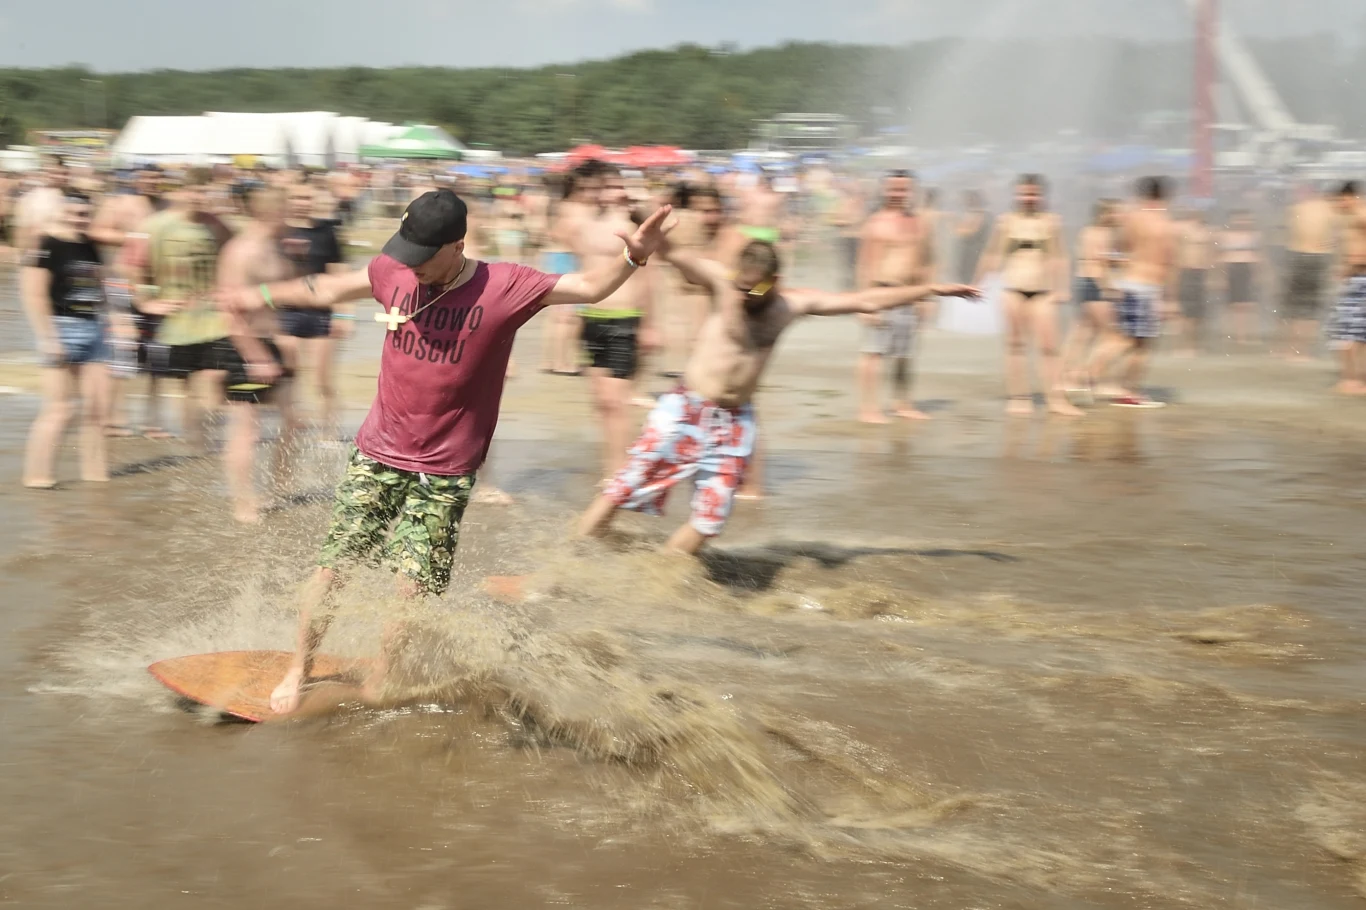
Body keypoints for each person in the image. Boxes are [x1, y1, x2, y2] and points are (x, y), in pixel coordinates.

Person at [216, 188, 675, 714]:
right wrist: (261, 295)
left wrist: (633, 257)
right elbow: (326, 286)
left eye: (423, 257)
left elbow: (589, 287)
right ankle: (299, 668)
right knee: (334, 567)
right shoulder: (393, 269)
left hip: (445, 472)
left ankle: (381, 680)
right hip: (378, 453)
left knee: (412, 588)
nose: (411, 267)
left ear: (457, 246)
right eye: (406, 251)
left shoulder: (504, 286)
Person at [577, 239, 978, 554]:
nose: (746, 294)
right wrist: (646, 228)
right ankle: (572, 555)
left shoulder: (791, 304)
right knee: (622, 488)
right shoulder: (722, 283)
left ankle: (658, 576)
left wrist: (931, 289)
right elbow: (676, 254)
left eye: (756, 287)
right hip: (686, 409)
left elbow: (865, 300)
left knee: (709, 521)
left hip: (734, 423)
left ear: (774, 280)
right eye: (742, 285)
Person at [569, 165, 661, 482]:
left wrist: (649, 324)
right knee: (601, 402)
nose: (605, 193)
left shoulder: (632, 226)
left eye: (611, 186)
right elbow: (581, 271)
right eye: (600, 187)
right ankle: (612, 466)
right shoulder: (581, 225)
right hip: (591, 318)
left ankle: (620, 472)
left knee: (616, 402)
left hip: (624, 318)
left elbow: (649, 276)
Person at [215, 187, 299, 522]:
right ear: (271, 213)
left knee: (294, 421)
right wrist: (255, 355)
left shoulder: (275, 247)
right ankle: (243, 503)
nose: (291, 215)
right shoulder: (240, 251)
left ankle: (278, 489)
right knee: (246, 430)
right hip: (244, 348)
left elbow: (284, 293)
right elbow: (228, 311)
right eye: (286, 209)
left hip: (275, 342)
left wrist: (284, 340)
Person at [135, 169, 235, 448]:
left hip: (213, 316)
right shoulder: (155, 225)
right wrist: (146, 301)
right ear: (179, 192)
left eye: (204, 191)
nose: (199, 197)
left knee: (215, 377)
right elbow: (132, 266)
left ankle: (204, 441)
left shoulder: (217, 225)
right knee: (187, 384)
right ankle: (196, 446)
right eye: (194, 191)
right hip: (175, 317)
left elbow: (235, 257)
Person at [21, 192, 111, 488]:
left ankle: (96, 478)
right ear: (61, 212)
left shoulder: (89, 245)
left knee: (97, 410)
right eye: (72, 213)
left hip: (94, 328)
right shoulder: (46, 245)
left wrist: (114, 321)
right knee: (60, 409)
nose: (78, 219)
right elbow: (34, 295)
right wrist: (48, 338)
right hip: (61, 328)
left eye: (84, 214)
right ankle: (38, 477)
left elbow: (101, 286)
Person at [974, 174, 1078, 416]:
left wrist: (1062, 287)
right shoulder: (1006, 222)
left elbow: (1060, 256)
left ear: (1042, 196)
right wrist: (977, 283)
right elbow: (991, 254)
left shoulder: (1051, 221)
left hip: (1043, 292)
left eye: (1034, 194)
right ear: (1016, 195)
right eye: (1024, 193)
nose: (1029, 198)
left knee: (1049, 346)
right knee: (1016, 346)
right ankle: (1019, 397)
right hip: (1013, 289)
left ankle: (1056, 399)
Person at [1086, 176, 1178, 409]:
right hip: (1148, 287)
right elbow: (1168, 263)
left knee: (1124, 339)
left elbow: (1120, 249)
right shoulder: (1165, 224)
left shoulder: (1132, 218)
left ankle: (1103, 383)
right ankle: (1107, 383)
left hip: (1128, 283)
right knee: (1137, 344)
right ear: (1164, 196)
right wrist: (1170, 299)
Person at [855, 170, 936, 423]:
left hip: (909, 295)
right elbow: (865, 265)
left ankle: (902, 403)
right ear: (884, 190)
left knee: (905, 355)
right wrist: (865, 303)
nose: (898, 194)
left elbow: (927, 261)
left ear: (912, 192)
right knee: (873, 353)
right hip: (882, 292)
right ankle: (868, 408)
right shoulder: (876, 222)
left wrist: (927, 297)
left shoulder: (920, 223)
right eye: (893, 189)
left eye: (903, 189)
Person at [277, 181, 351, 439]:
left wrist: (343, 314)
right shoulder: (278, 232)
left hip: (320, 312)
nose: (301, 203)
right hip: (285, 311)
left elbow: (340, 276)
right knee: (288, 375)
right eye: (296, 197)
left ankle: (329, 432)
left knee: (322, 378)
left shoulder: (326, 233)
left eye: (307, 198)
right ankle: (291, 425)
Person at [1060, 199, 1120, 392]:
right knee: (1110, 335)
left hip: (1083, 281)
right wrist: (1108, 287)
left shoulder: (1087, 231)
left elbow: (1089, 257)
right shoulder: (1104, 233)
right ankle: (1090, 377)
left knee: (1082, 333)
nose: (1118, 216)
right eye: (1114, 212)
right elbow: (1100, 261)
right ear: (1104, 214)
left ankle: (1066, 377)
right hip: (1095, 283)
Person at [1280, 183, 1337, 360]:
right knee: (1296, 306)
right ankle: (1292, 348)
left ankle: (1301, 350)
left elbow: (1337, 236)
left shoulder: (1326, 209)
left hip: (1315, 257)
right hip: (1301, 256)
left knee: (1306, 307)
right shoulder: (1298, 208)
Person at [1331, 181, 1366, 395]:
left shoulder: (1361, 215)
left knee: (1349, 333)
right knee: (1351, 333)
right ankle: (1352, 379)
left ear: (1351, 197)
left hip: (1360, 277)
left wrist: (1355, 264)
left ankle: (1353, 380)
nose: (1338, 204)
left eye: (1341, 200)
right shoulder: (1351, 218)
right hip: (1356, 278)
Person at [1174, 209, 1216, 356]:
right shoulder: (1182, 231)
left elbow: (1211, 254)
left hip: (1201, 272)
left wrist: (1212, 276)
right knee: (1185, 311)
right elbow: (1176, 252)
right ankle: (1184, 346)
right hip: (1186, 271)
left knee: (1198, 312)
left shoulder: (1207, 233)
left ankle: (1194, 345)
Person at [1219, 209, 1263, 347]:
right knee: (1231, 306)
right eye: (1239, 218)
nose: (1242, 222)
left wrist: (1260, 274)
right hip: (1231, 270)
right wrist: (1220, 277)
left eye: (1246, 219)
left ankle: (1250, 336)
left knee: (1250, 306)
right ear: (1231, 220)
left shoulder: (1255, 235)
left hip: (1248, 270)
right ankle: (1232, 336)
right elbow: (1220, 258)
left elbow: (1260, 256)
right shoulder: (1224, 236)